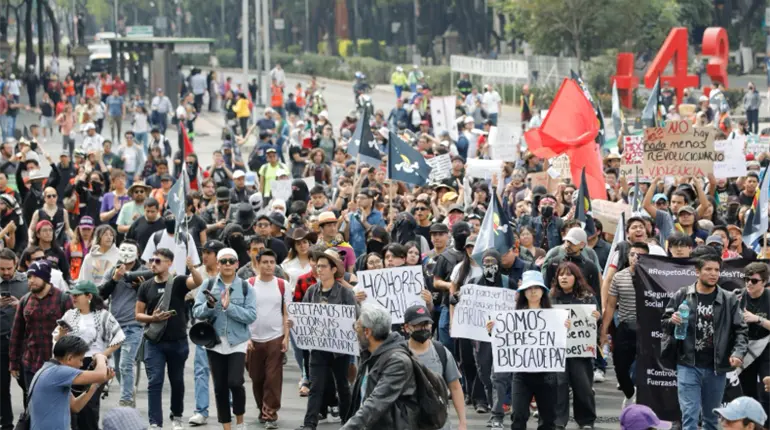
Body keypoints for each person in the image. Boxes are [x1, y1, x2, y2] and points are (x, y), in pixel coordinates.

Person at [661, 253, 748, 430]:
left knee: (711, 419)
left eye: (716, 270)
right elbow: (664, 323)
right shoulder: (683, 295)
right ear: (697, 271)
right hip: (687, 363)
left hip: (716, 367)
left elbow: (741, 330)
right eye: (708, 269)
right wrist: (672, 321)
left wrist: (738, 353)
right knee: (689, 417)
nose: (713, 273)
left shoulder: (728, 299)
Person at [486, 270, 567, 430]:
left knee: (548, 419)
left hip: (547, 374)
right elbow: (504, 339)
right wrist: (492, 330)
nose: (533, 291)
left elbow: (559, 342)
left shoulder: (555, 316)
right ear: (523, 292)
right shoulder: (513, 316)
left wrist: (565, 328)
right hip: (521, 374)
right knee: (518, 416)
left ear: (543, 291)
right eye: (529, 288)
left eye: (536, 287)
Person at [135, 248, 203, 429]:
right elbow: (138, 315)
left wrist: (192, 268)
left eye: (158, 261)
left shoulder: (178, 282)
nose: (153, 264)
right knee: (154, 382)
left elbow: (198, 282)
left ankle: (177, 416)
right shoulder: (145, 286)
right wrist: (153, 318)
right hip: (154, 342)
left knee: (177, 381)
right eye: (152, 260)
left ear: (169, 263)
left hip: (177, 341)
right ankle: (155, 422)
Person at [192, 247, 257, 430]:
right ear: (218, 264)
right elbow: (196, 311)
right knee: (220, 387)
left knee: (235, 382)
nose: (227, 264)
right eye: (223, 261)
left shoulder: (245, 287)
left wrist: (230, 308)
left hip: (238, 341)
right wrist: (209, 306)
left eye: (231, 261)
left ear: (237, 264)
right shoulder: (209, 284)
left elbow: (251, 315)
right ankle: (226, 426)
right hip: (215, 342)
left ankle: (240, 421)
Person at [295, 250, 357, 430]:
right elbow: (304, 315)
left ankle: (348, 422)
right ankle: (309, 424)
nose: (319, 269)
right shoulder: (311, 291)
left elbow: (355, 316)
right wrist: (295, 322)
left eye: (323, 266)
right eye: (317, 266)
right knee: (315, 386)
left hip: (340, 349)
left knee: (342, 386)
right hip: (318, 348)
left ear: (333, 269)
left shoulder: (345, 293)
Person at [52, 280, 124, 429]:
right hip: (71, 365)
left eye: (77, 295)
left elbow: (119, 337)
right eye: (72, 295)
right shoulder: (69, 315)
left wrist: (102, 356)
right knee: (72, 407)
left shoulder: (103, 315)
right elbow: (57, 342)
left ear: (89, 296)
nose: (73, 298)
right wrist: (61, 334)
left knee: (89, 406)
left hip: (94, 365)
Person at [342, 303, 417, 430]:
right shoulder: (368, 355)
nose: (354, 331)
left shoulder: (397, 361)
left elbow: (375, 404)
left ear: (367, 332)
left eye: (357, 327)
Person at [9, 260, 73, 392]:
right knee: (32, 401)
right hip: (31, 364)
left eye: (36, 276)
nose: (31, 280)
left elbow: (75, 333)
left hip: (58, 364)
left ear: (46, 278)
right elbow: (17, 333)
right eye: (29, 277)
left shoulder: (63, 299)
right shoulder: (25, 300)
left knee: (57, 401)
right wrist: (14, 363)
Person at [27, 335, 114, 430]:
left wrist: (96, 384)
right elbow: (101, 374)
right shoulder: (59, 372)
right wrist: (100, 357)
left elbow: (75, 406)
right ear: (69, 358)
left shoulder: (48, 369)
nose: (81, 364)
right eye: (80, 360)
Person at [550, 261, 599, 429]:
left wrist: (596, 316)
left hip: (580, 351)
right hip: (558, 351)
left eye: (568, 274)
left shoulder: (587, 297)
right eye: (561, 274)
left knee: (583, 387)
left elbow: (594, 320)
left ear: (576, 277)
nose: (564, 278)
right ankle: (558, 421)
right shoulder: (551, 297)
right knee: (559, 386)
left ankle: (586, 421)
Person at [403, 304, 467, 430]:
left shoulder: (441, 352)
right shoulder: (399, 353)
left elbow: (455, 387)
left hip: (439, 423)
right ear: (406, 327)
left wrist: (462, 422)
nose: (424, 328)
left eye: (426, 324)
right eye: (418, 325)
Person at [99, 240, 146, 407]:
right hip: (115, 326)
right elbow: (100, 295)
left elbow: (150, 295)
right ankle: (129, 391)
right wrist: (114, 279)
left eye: (130, 251)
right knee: (118, 367)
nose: (126, 255)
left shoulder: (144, 271)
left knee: (126, 363)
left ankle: (125, 400)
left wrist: (139, 286)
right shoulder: (113, 270)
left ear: (137, 254)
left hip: (134, 324)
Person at [246, 249, 289, 428]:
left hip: (275, 337)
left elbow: (286, 313)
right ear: (258, 264)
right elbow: (242, 313)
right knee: (257, 378)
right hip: (253, 339)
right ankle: (262, 408)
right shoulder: (248, 284)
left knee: (273, 378)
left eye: (272, 262)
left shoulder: (283, 284)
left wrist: (286, 337)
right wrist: (246, 338)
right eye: (265, 262)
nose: (269, 266)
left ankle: (270, 413)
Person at [739, 262, 770, 424]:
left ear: (764, 282)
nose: (749, 283)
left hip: (767, 347)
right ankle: (751, 424)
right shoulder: (738, 297)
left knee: (767, 389)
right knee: (747, 391)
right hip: (745, 347)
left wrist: (757, 319)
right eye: (746, 279)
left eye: (754, 281)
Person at [0, 248, 27, 429]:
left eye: (9, 268)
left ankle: (29, 421)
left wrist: (21, 305)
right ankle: (6, 424)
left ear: (16, 264)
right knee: (1, 387)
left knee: (28, 385)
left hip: (23, 343)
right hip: (1, 341)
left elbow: (37, 307)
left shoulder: (27, 282)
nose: (6, 272)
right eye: (2, 269)